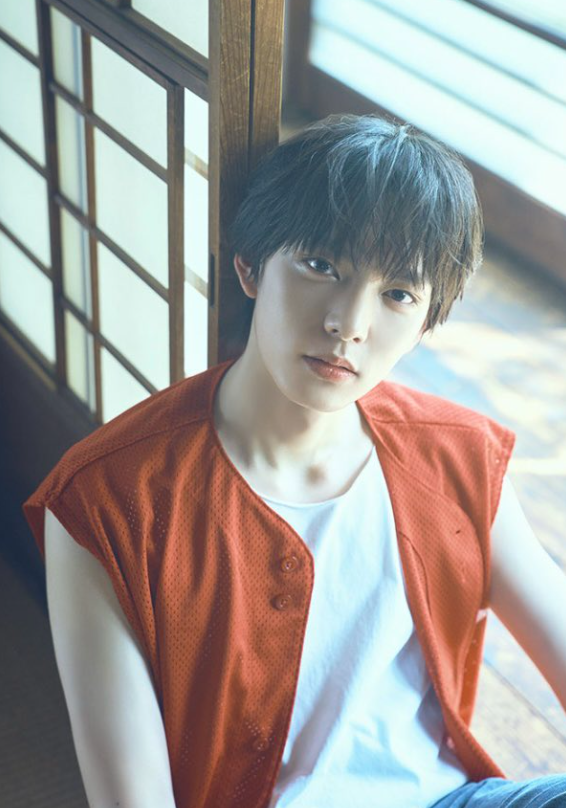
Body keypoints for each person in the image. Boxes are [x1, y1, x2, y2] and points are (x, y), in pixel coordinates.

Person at [23, 114, 566, 808]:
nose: (349, 324)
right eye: (321, 266)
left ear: (426, 322)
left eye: (398, 294)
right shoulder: (106, 502)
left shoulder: (459, 455)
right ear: (250, 265)